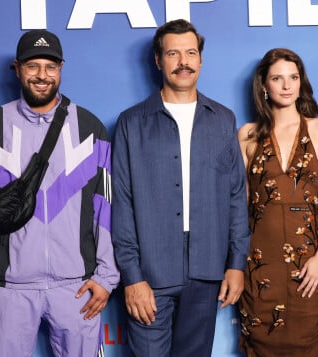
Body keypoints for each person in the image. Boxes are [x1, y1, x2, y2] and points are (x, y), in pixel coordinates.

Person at [0, 29, 119, 357]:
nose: (42, 75)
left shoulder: (90, 127)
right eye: (32, 66)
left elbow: (106, 208)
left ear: (61, 69)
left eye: (50, 66)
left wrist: (106, 276)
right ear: (17, 68)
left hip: (76, 287)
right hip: (7, 288)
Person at [111, 19, 251, 357]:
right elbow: (122, 203)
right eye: (173, 53)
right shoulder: (132, 123)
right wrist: (132, 276)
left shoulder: (222, 119)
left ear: (201, 60)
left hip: (206, 267)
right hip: (151, 270)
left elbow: (235, 196)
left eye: (191, 53)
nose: (183, 61)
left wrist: (236, 263)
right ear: (158, 61)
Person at [237, 48, 318, 356]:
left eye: (293, 77)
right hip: (258, 265)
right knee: (260, 345)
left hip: (308, 262)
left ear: (301, 82)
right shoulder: (247, 135)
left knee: (307, 344)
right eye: (277, 78)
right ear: (264, 86)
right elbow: (241, 207)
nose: (287, 85)